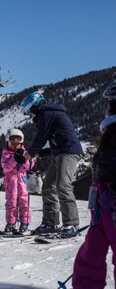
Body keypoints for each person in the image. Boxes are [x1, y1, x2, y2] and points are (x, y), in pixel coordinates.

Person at [21, 91, 84, 237]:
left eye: (29, 112)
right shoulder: (49, 115)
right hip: (60, 152)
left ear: (34, 107)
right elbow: (55, 145)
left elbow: (41, 137)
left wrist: (31, 152)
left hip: (68, 152)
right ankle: (50, 223)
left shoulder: (46, 114)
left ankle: (72, 224)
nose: (29, 116)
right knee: (48, 187)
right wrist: (39, 153)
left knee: (63, 185)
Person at [72, 81, 116, 289]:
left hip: (108, 198)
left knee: (92, 253)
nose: (108, 108)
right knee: (91, 252)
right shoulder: (109, 133)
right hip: (101, 199)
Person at [1, 128, 33, 234]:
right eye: (12, 139)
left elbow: (30, 165)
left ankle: (24, 223)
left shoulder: (25, 153)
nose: (15, 142)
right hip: (11, 181)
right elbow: (6, 168)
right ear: (8, 140)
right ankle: (11, 223)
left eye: (18, 139)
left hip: (22, 181)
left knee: (25, 202)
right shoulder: (6, 154)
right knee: (11, 202)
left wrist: (24, 159)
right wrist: (14, 158)